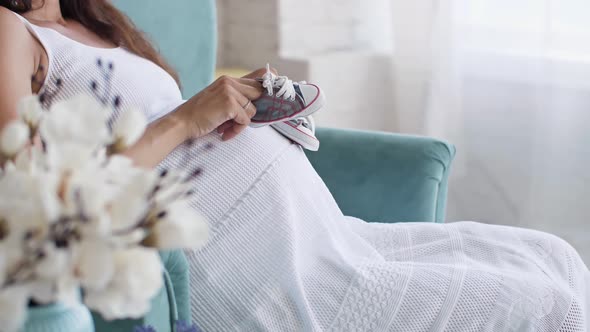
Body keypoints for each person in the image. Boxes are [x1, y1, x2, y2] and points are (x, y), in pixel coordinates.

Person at [0, 1, 588, 331]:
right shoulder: (9, 31)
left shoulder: (91, 19)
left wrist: (245, 105)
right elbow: (31, 200)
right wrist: (185, 119)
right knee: (550, 308)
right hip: (257, 274)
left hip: (331, 240)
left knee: (557, 258)